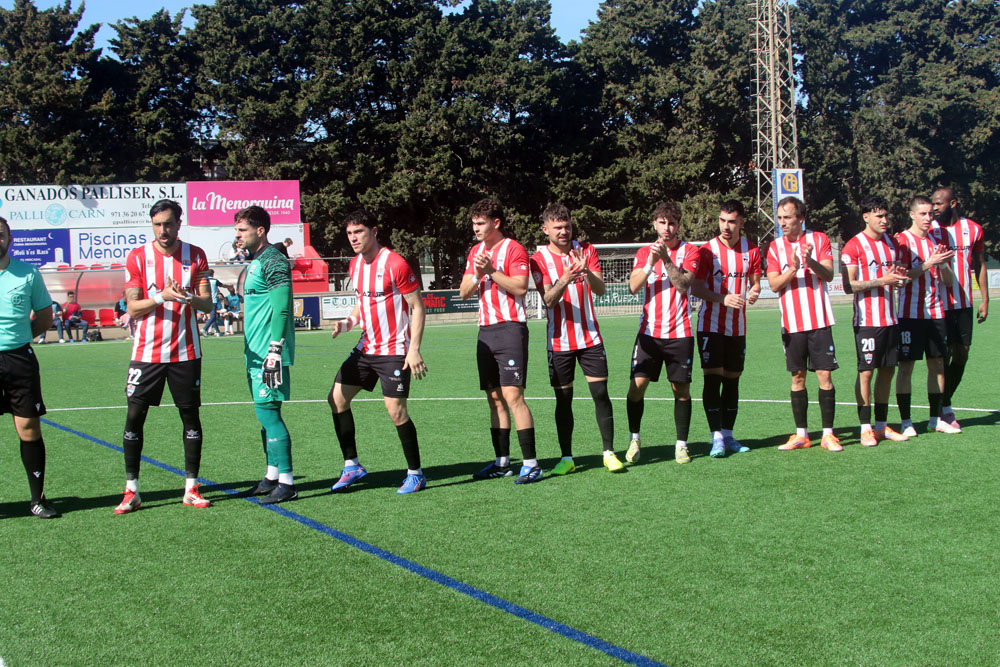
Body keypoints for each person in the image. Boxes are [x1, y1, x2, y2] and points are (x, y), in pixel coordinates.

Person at [114, 200, 213, 514]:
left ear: (178, 224)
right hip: (146, 354)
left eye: (168, 224)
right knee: (134, 418)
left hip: (186, 353)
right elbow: (132, 307)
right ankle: (132, 491)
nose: (163, 231)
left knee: (190, 417)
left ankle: (191, 488)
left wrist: (188, 297)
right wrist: (161, 296)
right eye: (157, 225)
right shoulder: (138, 257)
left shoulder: (195, 255)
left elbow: (207, 305)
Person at [328, 209, 428, 494]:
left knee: (396, 412)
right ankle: (352, 466)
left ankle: (416, 473)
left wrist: (414, 349)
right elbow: (362, 305)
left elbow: (418, 307)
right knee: (336, 399)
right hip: (366, 347)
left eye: (358, 232)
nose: (353, 238)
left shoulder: (395, 263)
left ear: (374, 231)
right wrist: (348, 322)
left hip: (395, 349)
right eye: (349, 233)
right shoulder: (355, 265)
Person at [529, 204, 621, 474]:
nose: (563, 231)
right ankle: (567, 458)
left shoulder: (586, 250)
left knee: (601, 394)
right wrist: (566, 278)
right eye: (557, 227)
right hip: (559, 342)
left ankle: (608, 452)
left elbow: (601, 290)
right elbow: (547, 300)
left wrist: (587, 273)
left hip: (590, 337)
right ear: (545, 229)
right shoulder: (539, 259)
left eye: (566, 225)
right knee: (563, 400)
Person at [459, 198, 541, 484]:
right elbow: (464, 291)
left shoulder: (514, 248)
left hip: (510, 329)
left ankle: (531, 463)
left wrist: (492, 270)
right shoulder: (475, 252)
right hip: (485, 330)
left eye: (481, 223)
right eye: (474, 223)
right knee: (493, 397)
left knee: (513, 395)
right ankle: (502, 462)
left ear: (497, 223)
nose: (476, 228)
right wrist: (479, 271)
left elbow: (521, 286)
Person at [625, 201, 699, 465]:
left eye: (672, 223)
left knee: (680, 388)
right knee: (637, 388)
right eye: (662, 222)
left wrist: (666, 259)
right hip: (649, 334)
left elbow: (683, 284)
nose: (667, 228)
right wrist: (650, 263)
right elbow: (633, 287)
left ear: (678, 225)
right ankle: (635, 439)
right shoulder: (645, 252)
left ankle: (681, 445)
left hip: (680, 334)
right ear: (654, 223)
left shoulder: (690, 251)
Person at [766, 197, 840, 452]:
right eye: (780, 217)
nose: (782, 222)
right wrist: (794, 269)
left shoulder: (819, 240)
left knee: (824, 375)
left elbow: (829, 274)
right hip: (792, 324)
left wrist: (810, 263)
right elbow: (774, 285)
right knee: (798, 378)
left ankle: (829, 434)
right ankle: (802, 435)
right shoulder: (775, 247)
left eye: (787, 217)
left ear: (800, 217)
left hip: (819, 320)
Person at [235, 205, 297, 504]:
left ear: (260, 230)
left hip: (267, 353)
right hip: (255, 352)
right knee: (264, 415)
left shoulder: (273, 259)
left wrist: (274, 350)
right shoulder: (258, 261)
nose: (238, 235)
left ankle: (287, 481)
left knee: (269, 414)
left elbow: (282, 307)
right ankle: (272, 475)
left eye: (242, 230)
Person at [691, 200, 761, 458]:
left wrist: (754, 291)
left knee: (732, 381)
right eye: (722, 220)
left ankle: (729, 435)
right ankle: (716, 437)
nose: (726, 227)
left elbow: (755, 283)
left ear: (741, 222)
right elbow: (696, 289)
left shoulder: (751, 251)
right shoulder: (707, 251)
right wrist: (722, 298)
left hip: (738, 327)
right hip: (710, 325)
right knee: (713, 379)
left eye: (732, 221)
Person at [840, 195, 911, 447]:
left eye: (886, 215)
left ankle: (881, 426)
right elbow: (849, 285)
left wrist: (900, 278)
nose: (884, 220)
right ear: (866, 216)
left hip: (891, 318)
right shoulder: (854, 246)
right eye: (879, 216)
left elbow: (897, 275)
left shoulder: (892, 244)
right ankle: (865, 428)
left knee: (887, 372)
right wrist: (883, 281)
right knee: (866, 373)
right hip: (867, 320)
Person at [0, 216, 59, 518]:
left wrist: (19, 337)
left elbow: (46, 318)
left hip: (18, 360)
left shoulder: (28, 273)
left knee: (29, 428)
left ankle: (38, 499)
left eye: (0, 235)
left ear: (9, 239)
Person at [895, 195, 956, 435]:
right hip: (910, 314)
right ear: (912, 214)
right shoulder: (902, 241)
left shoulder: (936, 241)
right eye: (923, 214)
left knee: (938, 365)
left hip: (936, 313)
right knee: (907, 366)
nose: (928, 218)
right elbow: (902, 277)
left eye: (930, 213)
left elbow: (949, 281)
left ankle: (935, 418)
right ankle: (906, 422)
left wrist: (941, 264)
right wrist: (930, 263)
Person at [931, 186, 988, 430]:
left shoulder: (973, 229)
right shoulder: (931, 230)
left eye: (939, 203)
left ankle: (945, 399)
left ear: (953, 203)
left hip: (964, 303)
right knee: (942, 357)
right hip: (939, 304)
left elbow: (980, 264)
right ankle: (943, 408)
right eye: (932, 203)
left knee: (962, 353)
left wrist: (985, 299)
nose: (934, 208)